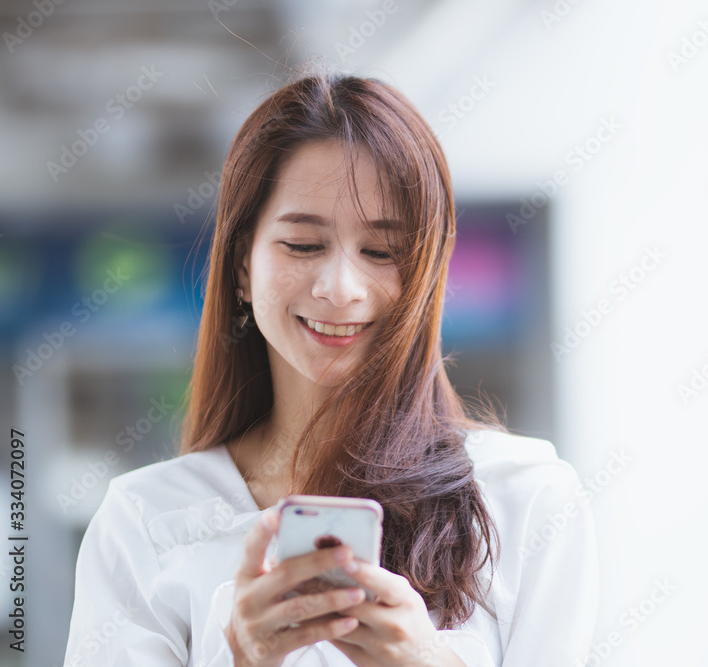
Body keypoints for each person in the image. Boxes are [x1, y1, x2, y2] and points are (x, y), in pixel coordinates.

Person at [62, 72, 599, 667]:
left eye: (382, 252)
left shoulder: (527, 499)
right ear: (242, 266)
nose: (340, 289)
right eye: (302, 245)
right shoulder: (144, 521)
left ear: (426, 276)